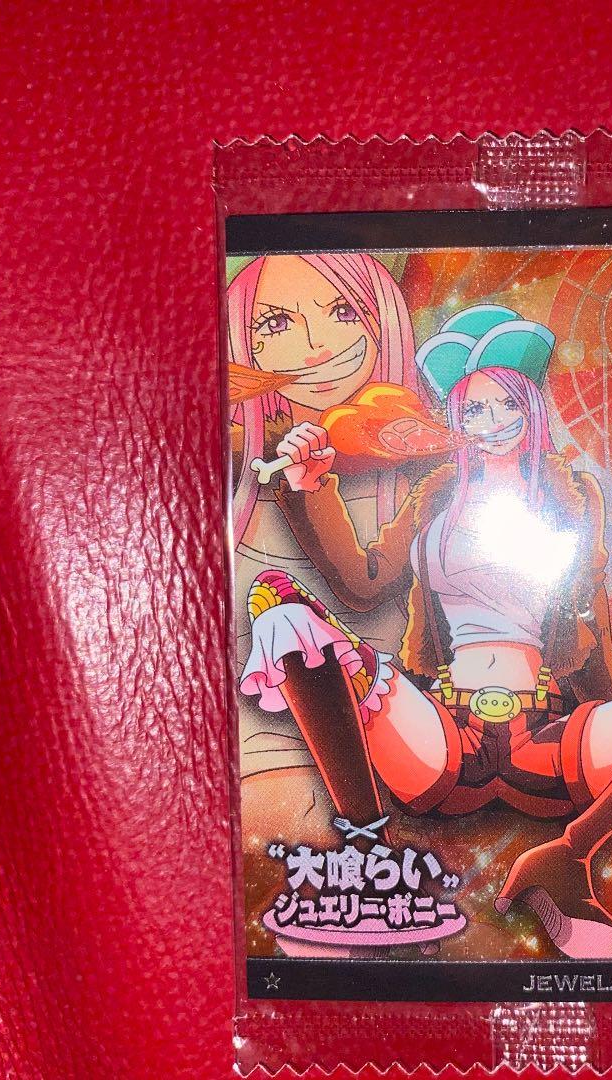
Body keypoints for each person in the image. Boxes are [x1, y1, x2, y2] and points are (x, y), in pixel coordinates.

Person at [241, 304, 612, 959]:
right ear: (456, 419)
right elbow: (363, 580)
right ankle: (367, 859)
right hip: (439, 736)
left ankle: (566, 859)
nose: (490, 424)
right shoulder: (436, 495)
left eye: (507, 406)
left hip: (550, 741)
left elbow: (592, 627)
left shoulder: (572, 497)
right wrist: (311, 487)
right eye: (473, 410)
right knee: (280, 605)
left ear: (533, 409)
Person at [228, 253, 416, 782]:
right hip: (249, 730)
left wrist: (311, 488)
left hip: (403, 719)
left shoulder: (422, 468)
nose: (318, 346)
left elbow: (367, 586)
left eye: (344, 311)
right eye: (276, 324)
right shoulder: (237, 459)